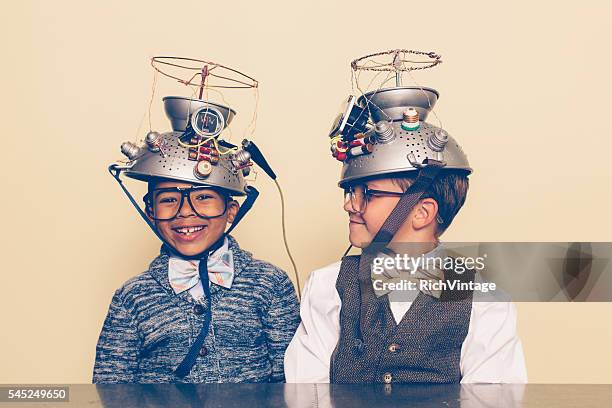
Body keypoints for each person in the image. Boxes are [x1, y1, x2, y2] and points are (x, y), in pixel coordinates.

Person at [284, 86, 527, 384]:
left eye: (368, 195)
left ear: (421, 212)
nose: (349, 205)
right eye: (351, 192)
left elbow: (492, 397)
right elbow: (306, 391)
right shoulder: (326, 286)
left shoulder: (484, 299)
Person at [93, 96, 300, 383]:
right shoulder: (132, 297)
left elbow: (294, 381)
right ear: (150, 212)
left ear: (231, 210)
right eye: (168, 199)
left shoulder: (270, 284)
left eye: (203, 197)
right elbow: (110, 389)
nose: (185, 212)